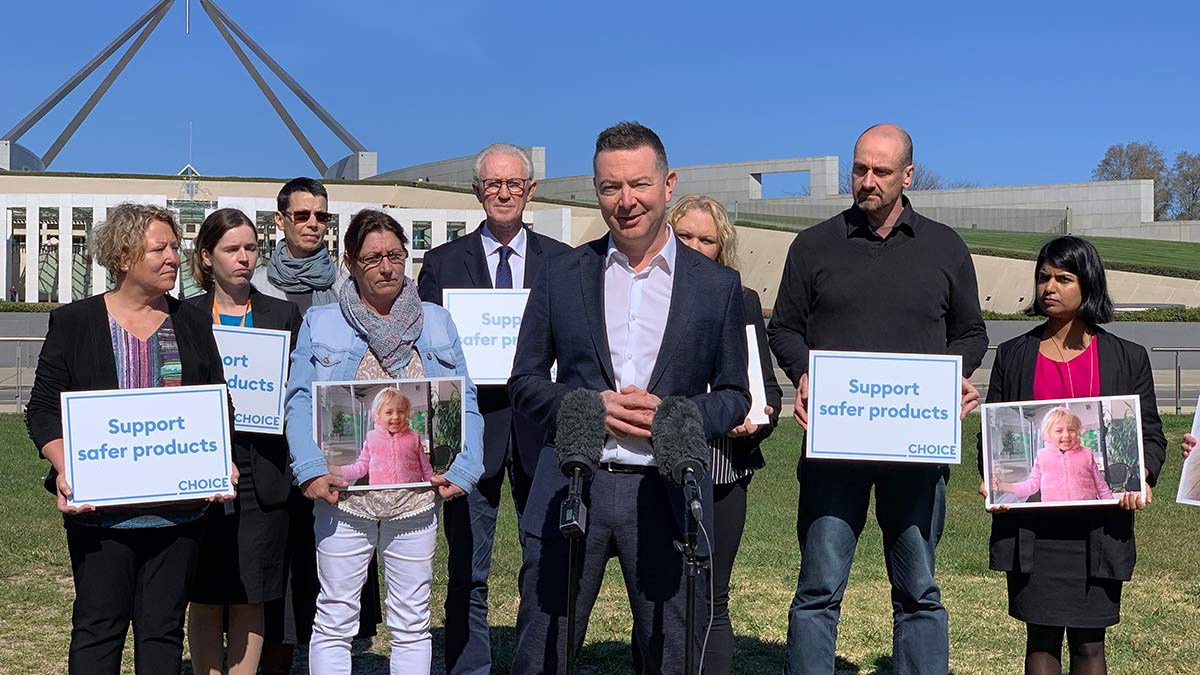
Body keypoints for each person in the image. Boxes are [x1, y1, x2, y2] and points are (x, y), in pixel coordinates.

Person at [508, 122, 751, 674]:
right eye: (610, 187)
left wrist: (678, 416)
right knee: (543, 652)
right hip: (574, 488)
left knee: (671, 654)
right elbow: (525, 381)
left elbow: (735, 396)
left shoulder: (716, 287)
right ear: (595, 190)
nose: (626, 201)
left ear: (668, 183)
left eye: (638, 184)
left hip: (666, 496)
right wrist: (585, 408)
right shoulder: (562, 274)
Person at [767, 123, 988, 674]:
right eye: (860, 169)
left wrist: (949, 381)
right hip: (834, 449)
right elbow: (785, 329)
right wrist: (802, 374)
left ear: (908, 175)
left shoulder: (945, 247)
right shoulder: (814, 245)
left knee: (918, 589)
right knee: (818, 587)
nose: (867, 181)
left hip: (915, 451)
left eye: (881, 171)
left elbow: (971, 335)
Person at [25, 203, 234, 674]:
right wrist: (66, 466)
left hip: (179, 515)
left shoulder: (194, 322)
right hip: (100, 517)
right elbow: (42, 409)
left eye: (174, 248)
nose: (172, 258)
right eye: (158, 248)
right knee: (99, 629)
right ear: (122, 257)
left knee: (162, 633)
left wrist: (222, 459)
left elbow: (219, 405)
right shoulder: (75, 322)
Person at [284, 208, 484, 673]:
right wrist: (311, 468)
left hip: (416, 499)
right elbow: (297, 401)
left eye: (395, 255)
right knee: (334, 617)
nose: (387, 267)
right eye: (373, 258)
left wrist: (464, 465)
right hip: (344, 499)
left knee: (412, 622)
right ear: (351, 262)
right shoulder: (322, 322)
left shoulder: (436, 322)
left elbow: (464, 397)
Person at [417, 142, 571, 674]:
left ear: (530, 191)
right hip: (469, 434)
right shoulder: (439, 265)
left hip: (542, 432)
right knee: (467, 569)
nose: (503, 193)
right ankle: (468, 668)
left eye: (513, 184)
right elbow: (429, 358)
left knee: (543, 562)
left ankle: (538, 664)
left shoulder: (563, 262)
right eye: (492, 184)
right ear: (477, 190)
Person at [978, 235, 1165, 675]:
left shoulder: (1128, 357)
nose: (1049, 287)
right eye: (1043, 277)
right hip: (1033, 529)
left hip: (1099, 528)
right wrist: (993, 477)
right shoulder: (1013, 355)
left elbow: (1151, 435)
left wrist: (1143, 477)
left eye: (1063, 278)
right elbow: (991, 432)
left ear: (1089, 285)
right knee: (1040, 642)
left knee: (1090, 646)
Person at [250, 177, 377, 674]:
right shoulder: (258, 283)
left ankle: (334, 652)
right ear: (279, 221)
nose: (312, 225)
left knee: (335, 554)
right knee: (281, 559)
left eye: (320, 216)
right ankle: (277, 657)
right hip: (271, 444)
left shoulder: (347, 288)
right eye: (301, 215)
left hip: (338, 441)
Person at [184, 208, 303, 675]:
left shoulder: (283, 314)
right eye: (231, 249)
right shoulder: (185, 315)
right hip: (201, 465)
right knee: (207, 590)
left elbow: (299, 389)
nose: (244, 258)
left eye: (251, 248)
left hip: (264, 468)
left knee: (253, 589)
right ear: (207, 257)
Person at [668, 194, 781, 674]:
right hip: (659, 471)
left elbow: (766, 390)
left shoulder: (742, 299)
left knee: (713, 596)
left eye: (706, 240)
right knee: (662, 595)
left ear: (722, 248)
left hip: (723, 469)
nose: (695, 246)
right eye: (685, 236)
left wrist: (761, 417)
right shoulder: (643, 297)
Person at [991, 407, 1114, 503]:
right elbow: (1031, 485)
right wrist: (1001, 486)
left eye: (1071, 430)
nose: (1066, 435)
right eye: (1059, 431)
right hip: (1053, 514)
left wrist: (1111, 506)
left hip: (1086, 512)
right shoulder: (1042, 457)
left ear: (1077, 432)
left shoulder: (1086, 454)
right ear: (1047, 434)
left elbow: (1101, 485)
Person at [337, 389, 437, 486]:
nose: (396, 416)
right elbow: (361, 467)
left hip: (410, 495)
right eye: (389, 412)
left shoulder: (413, 437)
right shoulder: (372, 439)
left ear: (406, 413)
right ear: (377, 415)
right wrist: (332, 469)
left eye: (401, 411)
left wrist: (435, 486)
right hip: (381, 496)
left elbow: (426, 469)